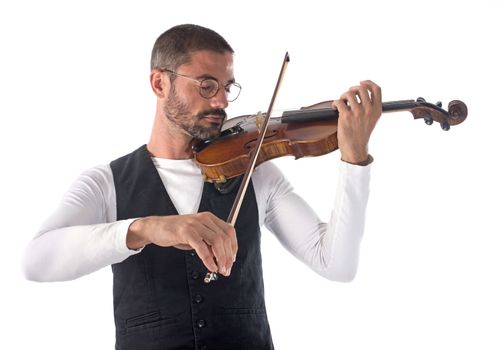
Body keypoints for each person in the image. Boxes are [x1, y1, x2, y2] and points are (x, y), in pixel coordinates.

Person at [23, 24, 382, 350]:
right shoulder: (106, 183)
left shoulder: (255, 171)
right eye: (207, 85)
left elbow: (336, 264)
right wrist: (147, 228)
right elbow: (36, 262)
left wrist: (354, 161)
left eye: (227, 88)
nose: (222, 102)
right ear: (160, 83)